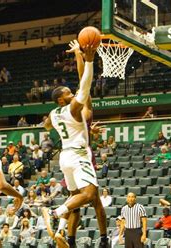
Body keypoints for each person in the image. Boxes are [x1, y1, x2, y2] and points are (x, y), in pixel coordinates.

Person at [43, 40, 108, 248]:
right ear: (62, 100)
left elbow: (45, 126)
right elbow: (84, 84)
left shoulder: (54, 113)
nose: (72, 95)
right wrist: (87, 59)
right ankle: (56, 213)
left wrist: (79, 55)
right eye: (68, 94)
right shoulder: (73, 108)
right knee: (89, 195)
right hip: (79, 155)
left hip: (65, 156)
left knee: (78, 201)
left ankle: (67, 238)